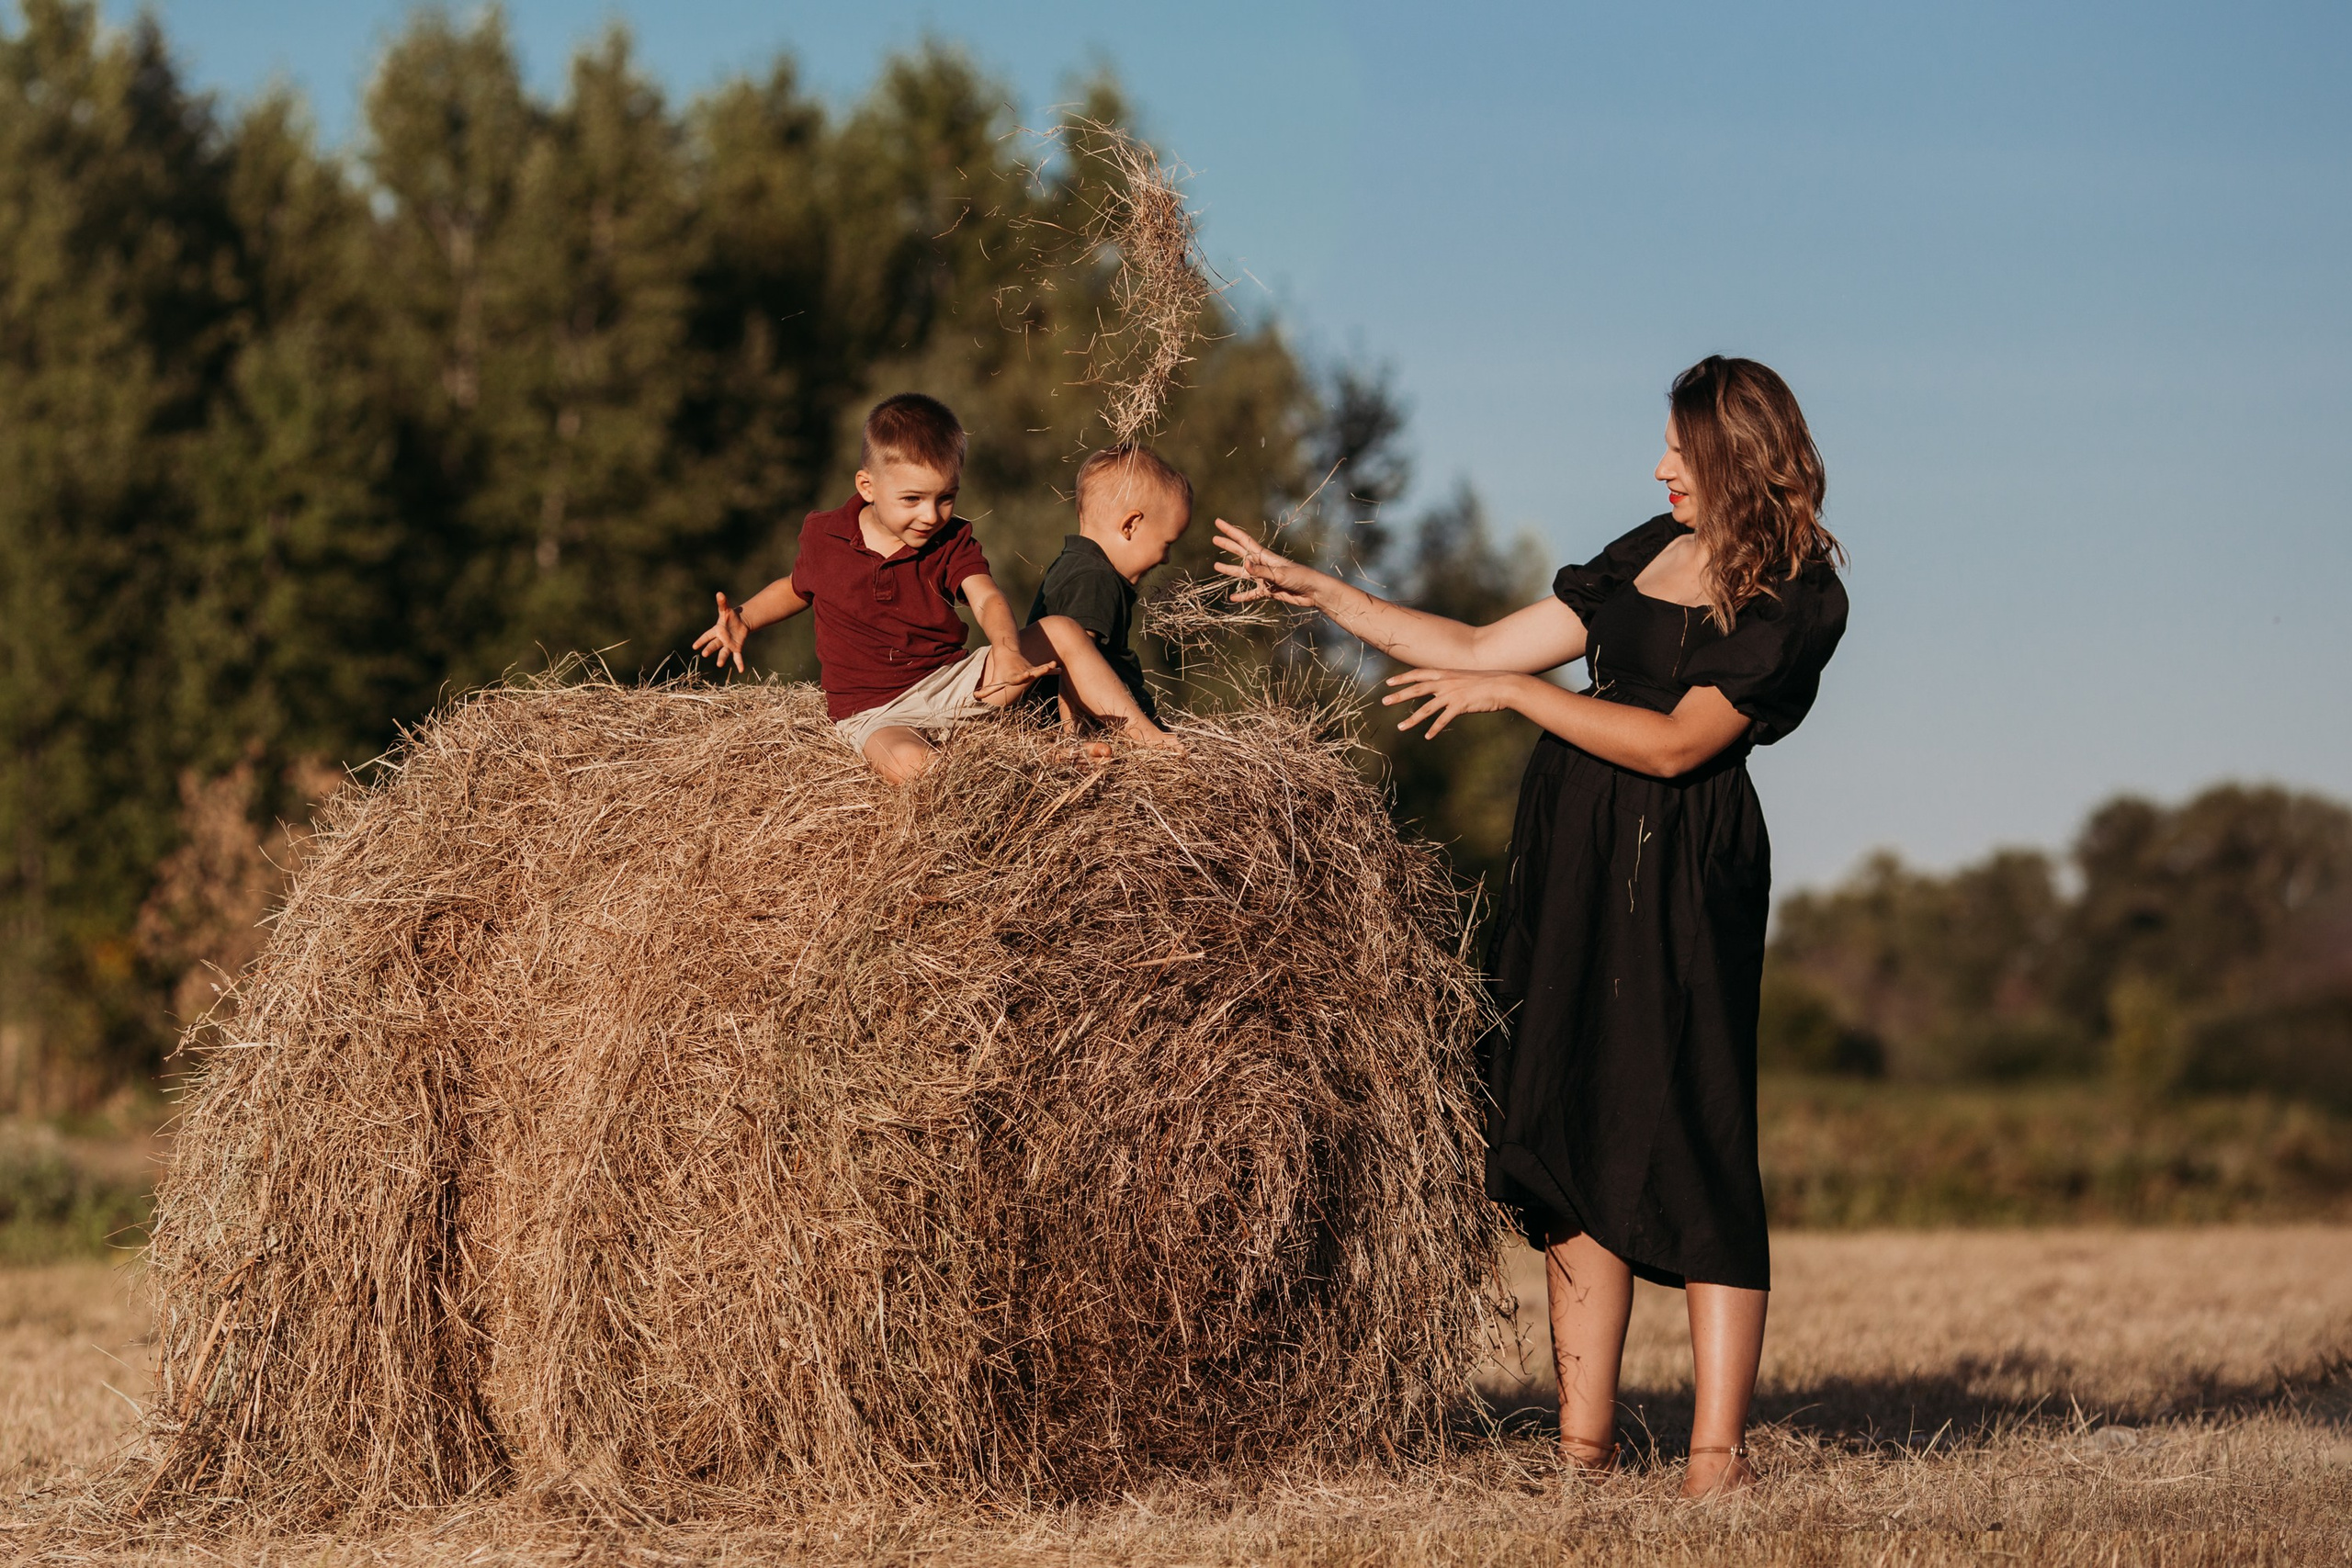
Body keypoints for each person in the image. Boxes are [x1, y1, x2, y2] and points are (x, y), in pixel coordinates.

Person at [1214, 355, 1847, 1497]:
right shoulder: (1638, 555)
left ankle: (1714, 1462)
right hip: (1572, 861)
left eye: (1680, 450)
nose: (1660, 466)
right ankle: (1580, 1454)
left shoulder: (1796, 593)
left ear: (1738, 456)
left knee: (1690, 1127)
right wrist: (1330, 596)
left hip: (1679, 868)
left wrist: (1522, 700)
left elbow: (1675, 746)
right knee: (1562, 1122)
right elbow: (1470, 648)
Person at [694, 393, 1180, 782]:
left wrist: (1008, 650)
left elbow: (986, 595)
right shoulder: (826, 535)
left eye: (946, 498)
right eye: (913, 499)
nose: (930, 515)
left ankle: (1154, 745)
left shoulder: (950, 541)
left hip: (953, 687)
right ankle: (1043, 764)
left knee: (1063, 630)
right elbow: (799, 587)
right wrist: (746, 617)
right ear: (867, 486)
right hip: (873, 716)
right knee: (911, 768)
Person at [1023, 445, 1193, 733]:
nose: (1166, 558)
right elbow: (1073, 664)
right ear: (1130, 525)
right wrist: (1071, 738)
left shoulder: (1075, 566)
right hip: (1084, 732)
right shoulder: (1095, 579)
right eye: (1167, 544)